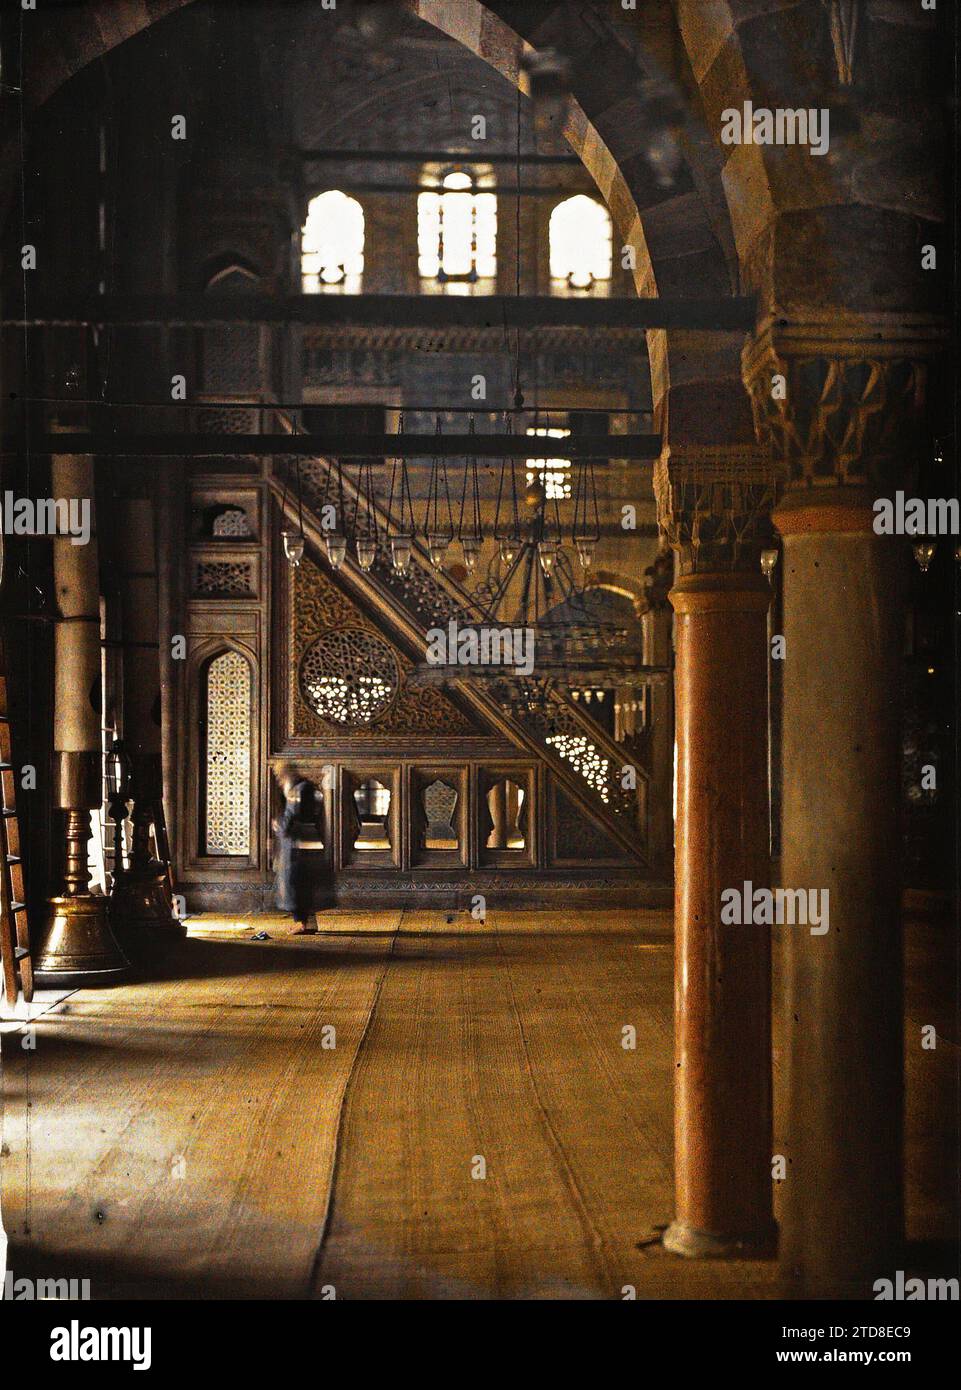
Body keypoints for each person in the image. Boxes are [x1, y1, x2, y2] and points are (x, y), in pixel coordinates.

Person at [273, 763, 326, 935]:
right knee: (307, 883)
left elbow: (289, 820)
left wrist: (278, 826)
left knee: (295, 883)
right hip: (311, 840)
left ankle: (302, 923)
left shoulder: (297, 791)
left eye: (280, 778)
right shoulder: (309, 788)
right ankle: (308, 922)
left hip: (297, 846)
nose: (280, 782)